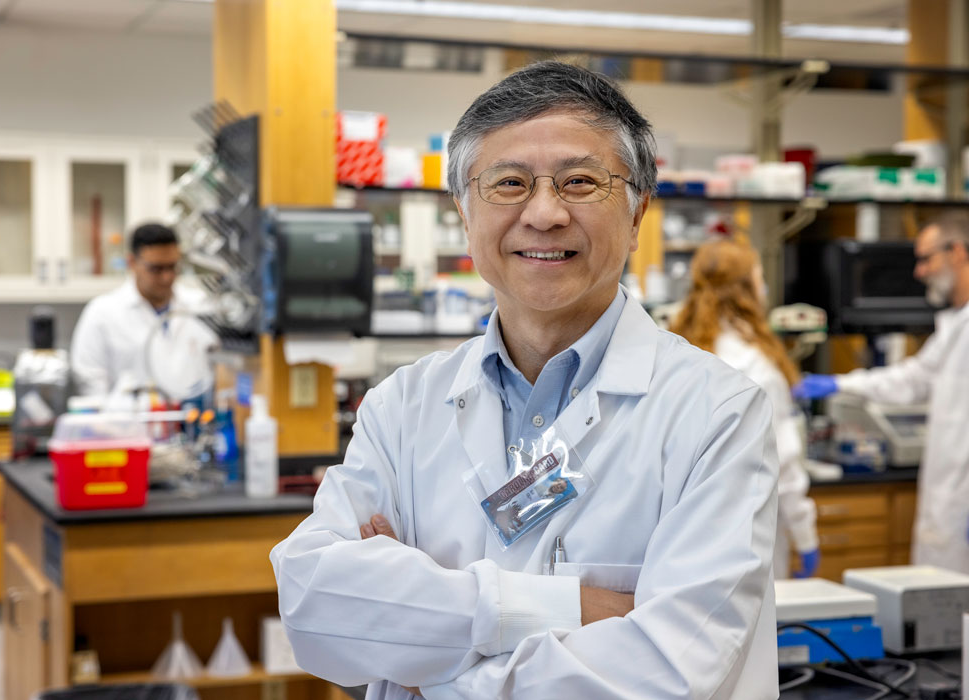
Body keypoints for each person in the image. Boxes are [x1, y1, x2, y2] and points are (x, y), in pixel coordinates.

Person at [271, 61, 779, 699]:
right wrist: (574, 607)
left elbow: (668, 674)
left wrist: (419, 645)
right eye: (509, 182)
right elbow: (317, 608)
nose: (544, 212)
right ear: (463, 210)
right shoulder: (401, 406)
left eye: (580, 182)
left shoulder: (715, 413)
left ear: (637, 209)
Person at [794, 214, 969, 571]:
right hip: (948, 500)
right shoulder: (955, 326)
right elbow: (913, 379)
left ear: (958, 252)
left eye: (926, 258)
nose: (919, 272)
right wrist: (839, 383)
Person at [670, 239, 819, 580]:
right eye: (759, 277)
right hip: (748, 540)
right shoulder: (757, 367)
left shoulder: (677, 351)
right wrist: (805, 536)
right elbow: (784, 464)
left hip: (682, 537)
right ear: (746, 289)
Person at [70, 222, 218, 402]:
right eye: (156, 269)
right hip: (126, 426)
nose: (167, 277)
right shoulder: (102, 313)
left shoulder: (201, 306)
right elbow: (91, 383)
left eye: (172, 267)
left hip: (191, 420)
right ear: (132, 262)